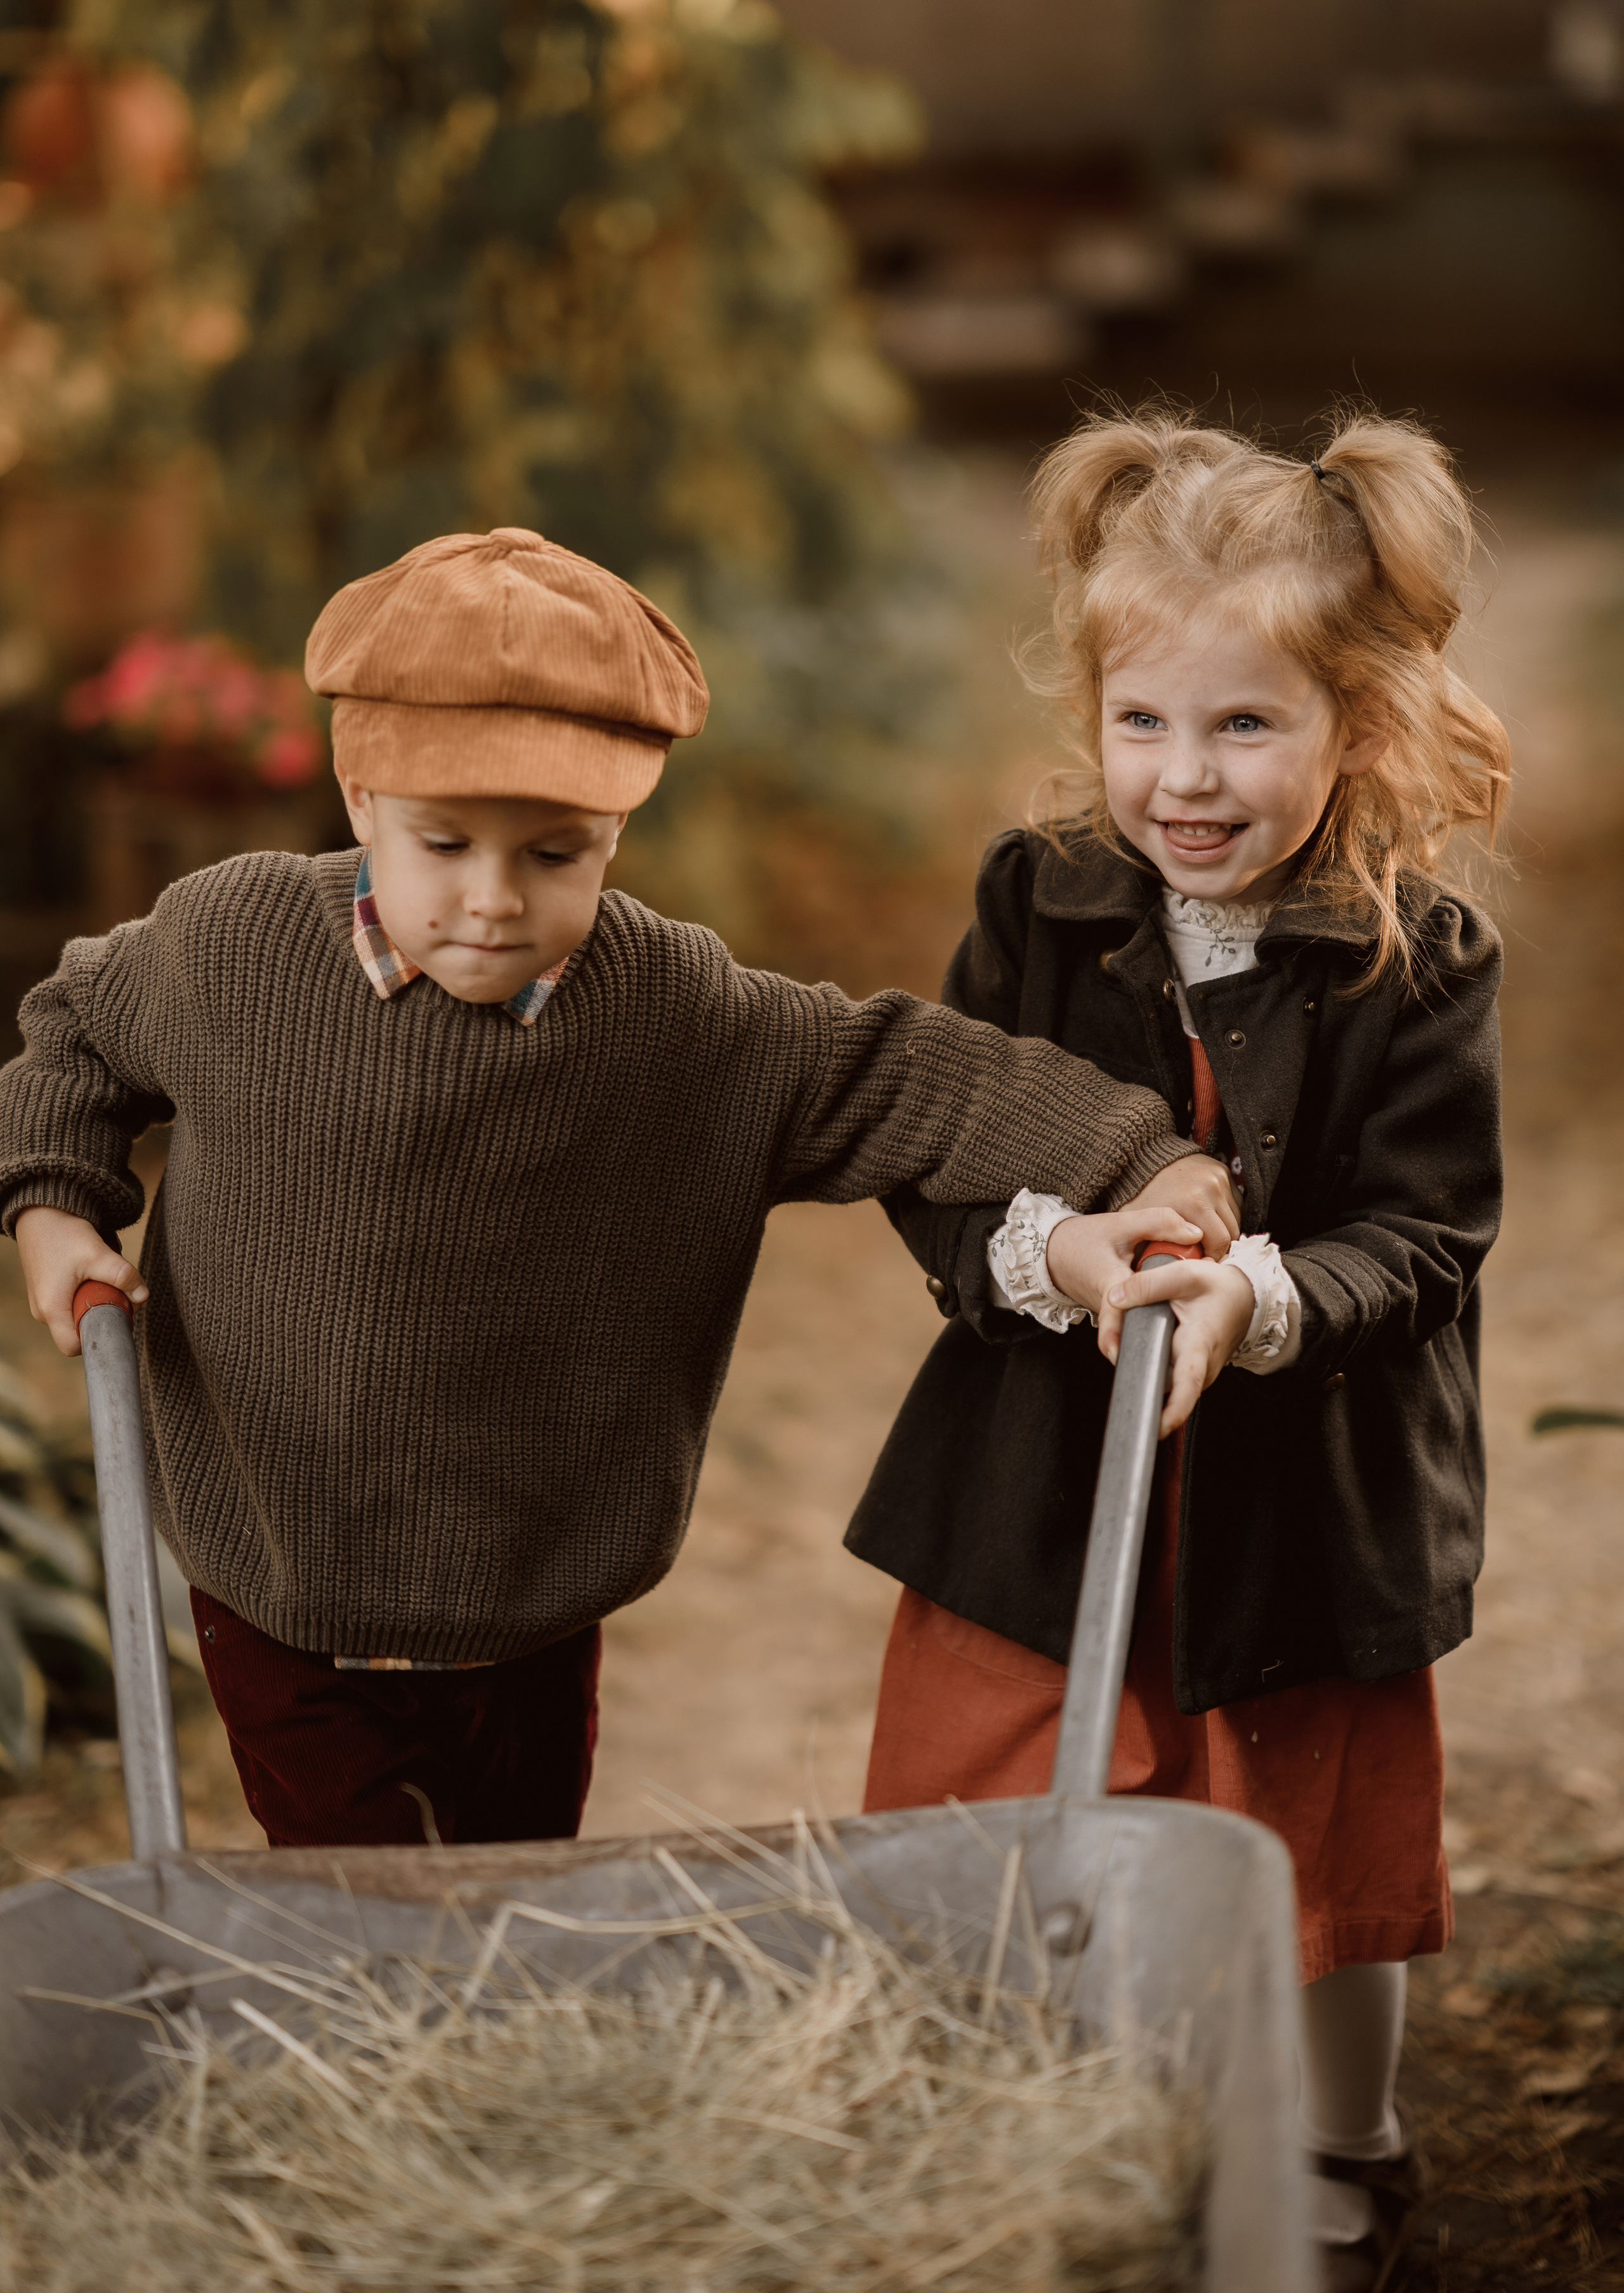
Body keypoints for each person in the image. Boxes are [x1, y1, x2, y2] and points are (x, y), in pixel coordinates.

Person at [0, 525, 1234, 1856]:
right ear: (360, 798)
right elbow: (78, 1023)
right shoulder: (229, 946)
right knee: (367, 1909)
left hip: (536, 1583)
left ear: (616, 826)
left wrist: (1135, 1154)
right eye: (445, 842)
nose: (490, 900)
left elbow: (900, 1071)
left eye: (554, 854)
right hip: (275, 1556)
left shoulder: (674, 1016)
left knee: (520, 1871)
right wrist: (57, 1199)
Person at [844, 410, 1509, 2293]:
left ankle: (1338, 2140)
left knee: (1311, 1827)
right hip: (1037, 1469)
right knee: (1010, 1782)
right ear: (1094, 711)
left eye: (1246, 727)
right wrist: (1050, 1251)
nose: (1187, 778)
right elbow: (934, 1136)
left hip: (1303, 1475)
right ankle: (1048, 2104)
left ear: (1353, 725)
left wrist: (1263, 1299)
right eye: (1147, 723)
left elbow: (1428, 1236)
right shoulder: (1033, 899)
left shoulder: (1419, 955)